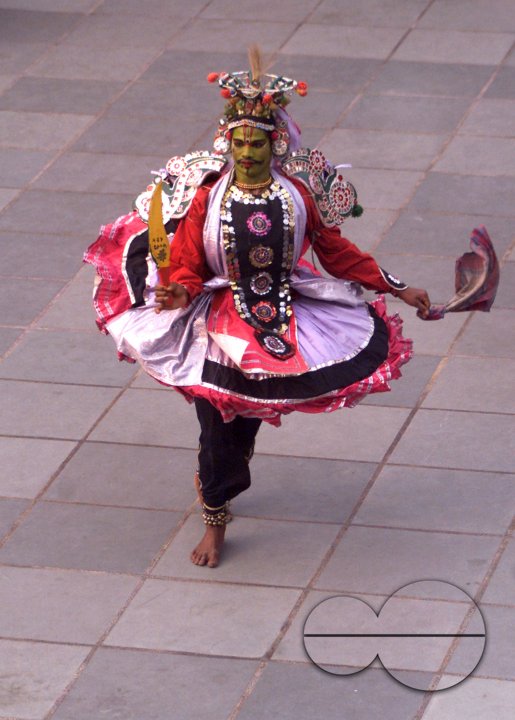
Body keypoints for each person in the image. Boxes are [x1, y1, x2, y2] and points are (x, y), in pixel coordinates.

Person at [85, 51, 431, 568]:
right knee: (219, 428)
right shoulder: (209, 199)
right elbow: (184, 262)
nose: (246, 153)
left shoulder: (295, 196)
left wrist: (397, 288)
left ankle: (224, 477)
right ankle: (215, 517)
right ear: (229, 144)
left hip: (283, 319)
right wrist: (179, 291)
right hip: (217, 323)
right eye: (239, 143)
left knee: (245, 422)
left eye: (258, 143)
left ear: (276, 144)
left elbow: (336, 252)